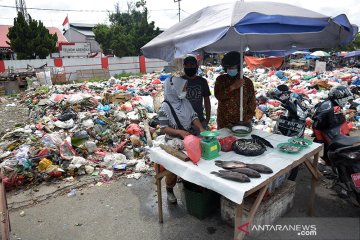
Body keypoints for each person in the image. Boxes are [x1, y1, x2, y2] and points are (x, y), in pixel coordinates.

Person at [158, 76, 205, 203]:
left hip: (188, 138)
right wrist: (179, 132)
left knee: (195, 162)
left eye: (186, 88)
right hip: (173, 142)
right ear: (174, 89)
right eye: (184, 88)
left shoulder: (185, 102)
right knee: (172, 168)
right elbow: (163, 128)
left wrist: (201, 128)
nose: (186, 90)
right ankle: (169, 189)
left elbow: (194, 116)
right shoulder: (164, 107)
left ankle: (191, 186)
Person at [214, 51, 256, 129]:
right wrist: (233, 87)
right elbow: (219, 96)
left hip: (243, 122)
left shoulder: (247, 82)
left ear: (239, 67)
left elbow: (252, 102)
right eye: (228, 68)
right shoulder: (221, 80)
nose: (230, 69)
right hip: (224, 122)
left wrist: (247, 119)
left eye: (232, 67)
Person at [181, 56, 211, 128]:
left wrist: (207, 118)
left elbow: (207, 100)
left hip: (200, 120)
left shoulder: (202, 81)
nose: (189, 67)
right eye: (187, 65)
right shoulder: (179, 81)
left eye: (192, 65)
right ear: (184, 66)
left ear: (196, 66)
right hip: (183, 122)